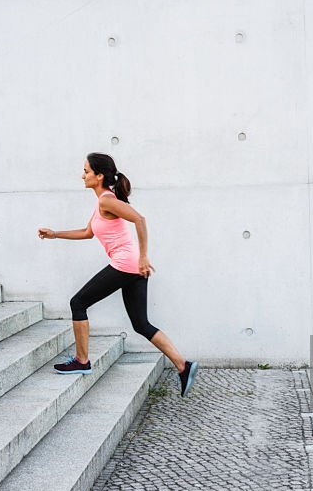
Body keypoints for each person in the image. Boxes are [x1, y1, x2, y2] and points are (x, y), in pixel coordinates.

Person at [38, 153, 199, 397]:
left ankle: (82, 361)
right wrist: (55, 234)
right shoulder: (102, 202)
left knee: (78, 302)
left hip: (127, 265)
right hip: (133, 268)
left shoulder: (107, 200)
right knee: (140, 324)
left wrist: (143, 256)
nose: (82, 175)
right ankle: (183, 366)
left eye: (86, 171)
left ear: (99, 176)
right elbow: (87, 232)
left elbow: (140, 219)